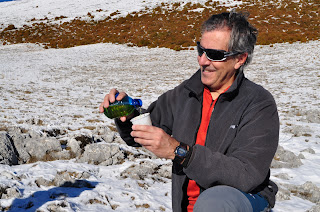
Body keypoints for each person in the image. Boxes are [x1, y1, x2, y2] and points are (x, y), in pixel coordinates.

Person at [99, 11, 279, 212]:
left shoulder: (258, 103)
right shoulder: (186, 93)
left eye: (215, 54)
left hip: (244, 199)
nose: (202, 61)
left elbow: (246, 175)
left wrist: (179, 151)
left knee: (214, 203)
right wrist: (127, 113)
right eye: (200, 50)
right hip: (188, 206)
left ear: (240, 59)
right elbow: (141, 133)